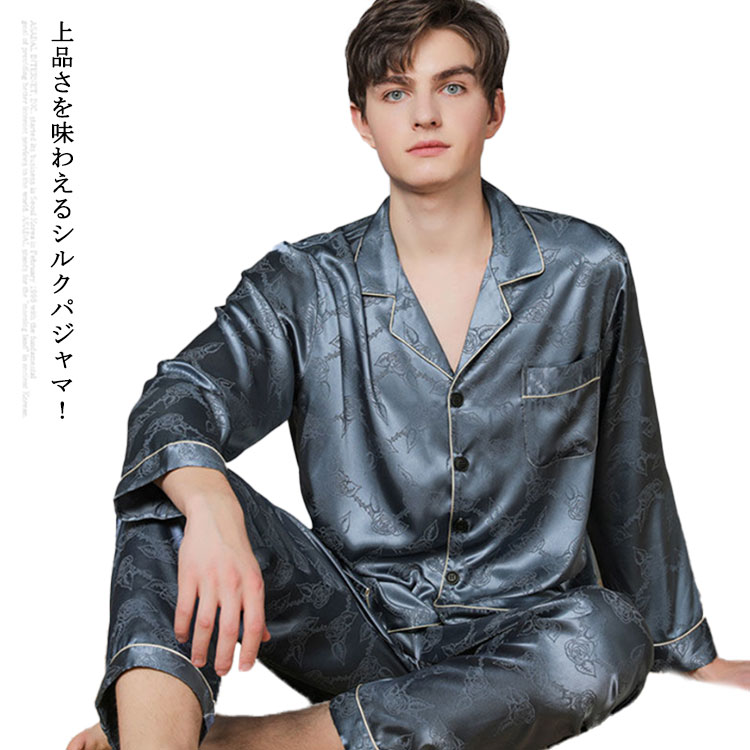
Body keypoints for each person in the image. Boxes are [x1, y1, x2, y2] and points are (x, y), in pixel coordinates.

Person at [68, 1, 750, 749]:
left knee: (609, 634)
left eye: (452, 87)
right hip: (352, 627)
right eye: (396, 92)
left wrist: (689, 650)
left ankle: (258, 742)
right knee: (169, 497)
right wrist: (210, 501)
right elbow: (181, 397)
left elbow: (630, 466)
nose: (424, 115)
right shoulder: (303, 285)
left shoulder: (587, 269)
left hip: (524, 641)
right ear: (361, 119)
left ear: (494, 109)